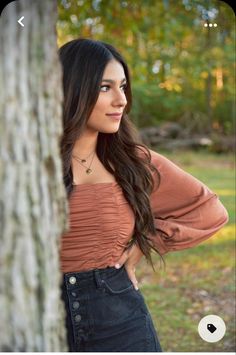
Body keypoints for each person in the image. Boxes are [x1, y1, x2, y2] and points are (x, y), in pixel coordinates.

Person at [58, 38, 229, 352]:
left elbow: (211, 211)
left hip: (120, 322)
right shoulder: (24, 167)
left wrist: (146, 242)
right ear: (72, 90)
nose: (122, 100)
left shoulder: (133, 162)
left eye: (123, 86)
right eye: (105, 87)